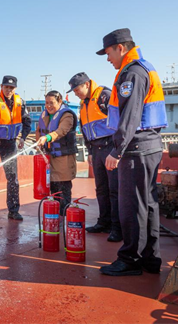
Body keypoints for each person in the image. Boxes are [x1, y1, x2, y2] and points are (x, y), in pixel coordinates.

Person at [96, 28, 168, 276]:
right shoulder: (144, 67)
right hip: (149, 145)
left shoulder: (132, 73)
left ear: (121, 48)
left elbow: (130, 116)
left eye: (108, 53)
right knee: (147, 204)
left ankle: (130, 259)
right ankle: (150, 258)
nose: (108, 59)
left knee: (132, 206)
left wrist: (116, 151)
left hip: (136, 148)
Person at [67, 72, 122, 242]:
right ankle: (104, 222)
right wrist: (90, 152)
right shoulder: (84, 104)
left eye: (77, 89)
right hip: (96, 149)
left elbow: (120, 122)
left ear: (87, 84)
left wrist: (118, 150)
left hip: (110, 146)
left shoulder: (104, 96)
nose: (76, 93)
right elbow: (85, 130)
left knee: (114, 189)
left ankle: (117, 227)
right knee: (101, 189)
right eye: (74, 91)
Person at [0, 75, 31, 225]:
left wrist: (23, 137)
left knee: (13, 178)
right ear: (1, 87)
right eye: (6, 87)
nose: (8, 90)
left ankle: (14, 211)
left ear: (15, 88)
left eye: (11, 88)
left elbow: (27, 121)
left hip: (10, 144)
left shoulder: (20, 102)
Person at [35, 90, 78, 215]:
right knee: (53, 189)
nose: (48, 106)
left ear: (60, 102)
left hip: (63, 158)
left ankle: (64, 216)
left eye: (52, 103)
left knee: (63, 189)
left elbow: (61, 131)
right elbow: (39, 130)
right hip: (49, 159)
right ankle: (54, 218)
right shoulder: (44, 114)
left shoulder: (67, 115)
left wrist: (47, 138)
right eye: (46, 103)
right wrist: (39, 143)